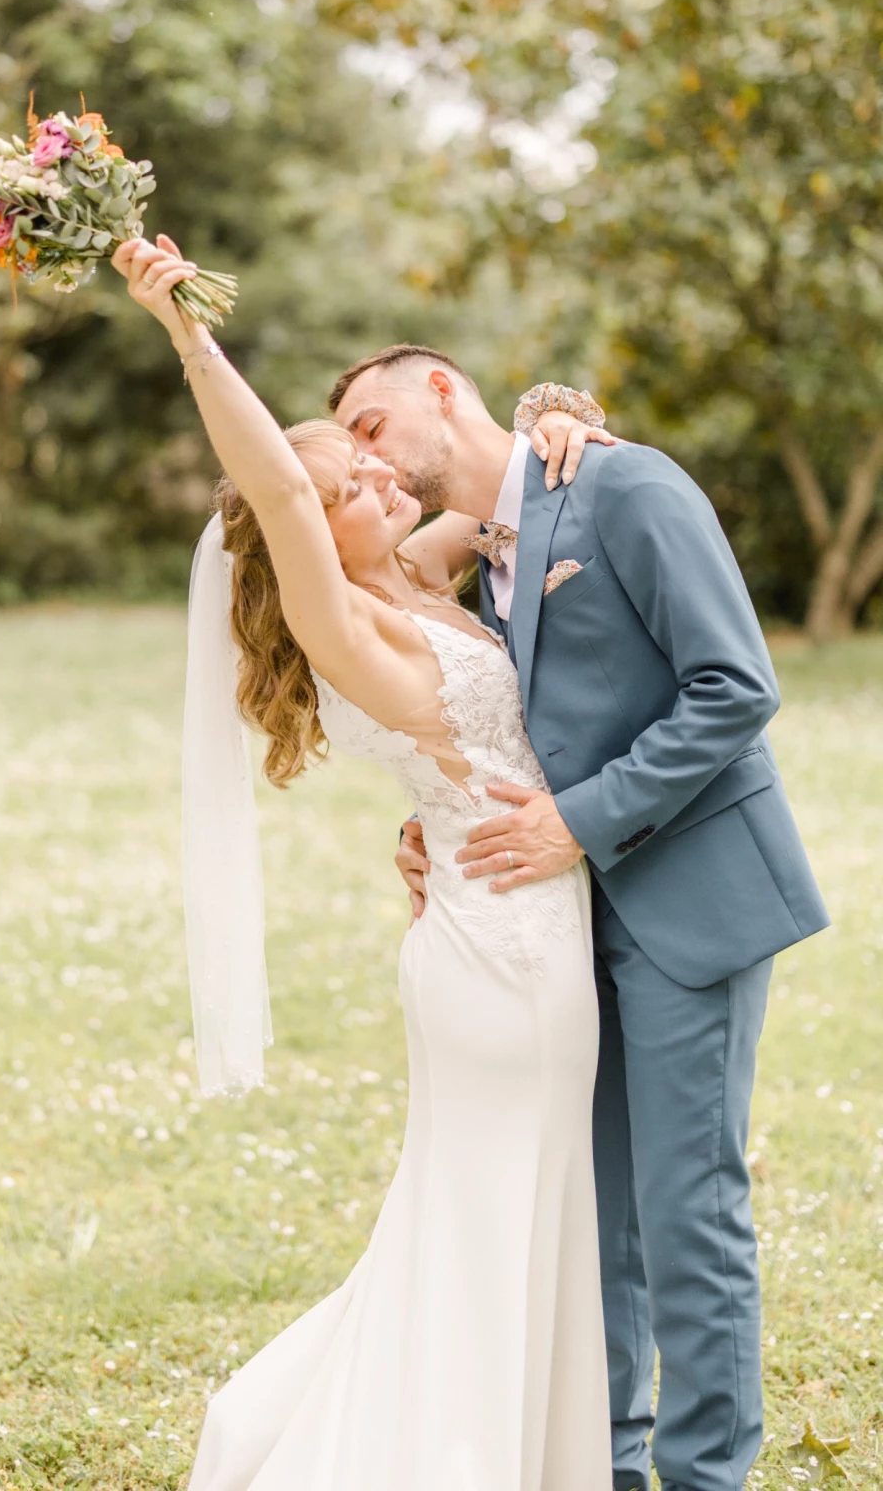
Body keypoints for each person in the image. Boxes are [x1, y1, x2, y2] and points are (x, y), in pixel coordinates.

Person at [114, 233, 617, 1491]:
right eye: (348, 484)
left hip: (521, 926)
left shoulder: (426, 574)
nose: (378, 481)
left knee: (511, 1215)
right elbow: (278, 493)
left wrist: (555, 408)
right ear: (307, 527)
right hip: (499, 957)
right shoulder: (345, 624)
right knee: (487, 1221)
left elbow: (504, 485)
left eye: (370, 462)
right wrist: (186, 330)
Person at [331, 344, 830, 1491]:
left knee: (684, 1211)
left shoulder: (627, 484)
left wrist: (576, 822)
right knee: (591, 1215)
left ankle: (706, 1478)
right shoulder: (462, 552)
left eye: (370, 420)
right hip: (555, 927)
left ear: (443, 389)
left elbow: (736, 687)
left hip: (686, 892)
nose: (364, 450)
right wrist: (437, 825)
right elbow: (493, 712)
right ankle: (602, 1463)